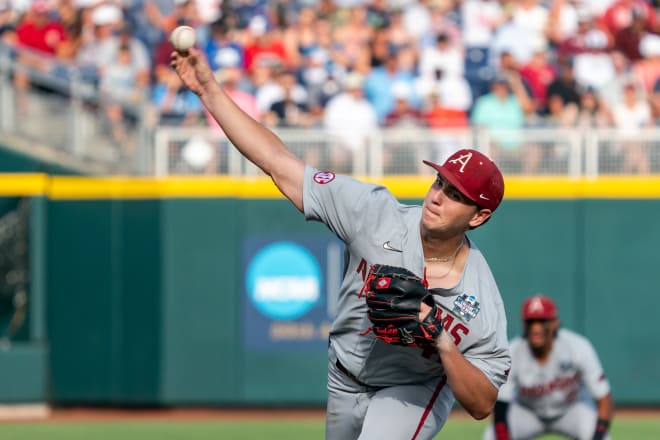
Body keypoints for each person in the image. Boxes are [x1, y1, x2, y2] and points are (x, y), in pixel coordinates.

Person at [170, 47, 510, 440]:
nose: (437, 196)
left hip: (412, 389)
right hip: (344, 375)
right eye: (440, 182)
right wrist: (209, 90)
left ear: (479, 216)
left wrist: (442, 341)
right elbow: (279, 163)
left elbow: (483, 403)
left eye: (455, 195)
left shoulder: (479, 299)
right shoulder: (373, 212)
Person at [482, 294, 614, 440]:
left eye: (542, 321)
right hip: (527, 412)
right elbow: (500, 406)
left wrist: (598, 435)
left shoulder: (577, 347)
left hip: (571, 409)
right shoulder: (513, 352)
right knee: (492, 436)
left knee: (603, 438)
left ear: (555, 323)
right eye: (531, 321)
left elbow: (604, 398)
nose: (536, 328)